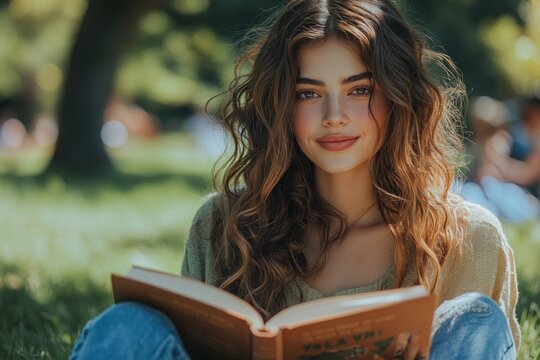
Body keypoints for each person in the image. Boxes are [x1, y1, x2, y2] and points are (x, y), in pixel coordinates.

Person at [70, 0, 520, 359]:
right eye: (309, 94)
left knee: (475, 319)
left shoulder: (466, 239)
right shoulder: (223, 226)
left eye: (359, 90)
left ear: (398, 97)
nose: (334, 117)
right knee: (128, 325)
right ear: (281, 106)